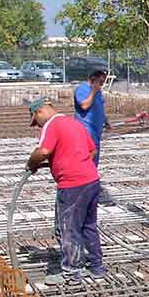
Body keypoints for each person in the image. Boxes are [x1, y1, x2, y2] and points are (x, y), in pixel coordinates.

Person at [24, 97, 104, 286]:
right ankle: (96, 267)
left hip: (72, 185)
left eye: (36, 121)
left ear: (40, 111)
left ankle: (71, 273)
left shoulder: (51, 125)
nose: (37, 126)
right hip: (91, 180)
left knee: (68, 228)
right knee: (88, 226)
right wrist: (71, 160)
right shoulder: (74, 123)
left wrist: (31, 163)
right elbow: (91, 151)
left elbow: (43, 151)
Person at [74, 70, 111, 166]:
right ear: (93, 79)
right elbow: (84, 105)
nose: (101, 85)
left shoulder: (97, 91)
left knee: (94, 160)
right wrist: (93, 91)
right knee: (88, 157)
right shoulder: (82, 89)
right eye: (100, 82)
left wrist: (105, 120)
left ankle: (92, 173)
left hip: (96, 131)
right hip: (86, 130)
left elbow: (99, 106)